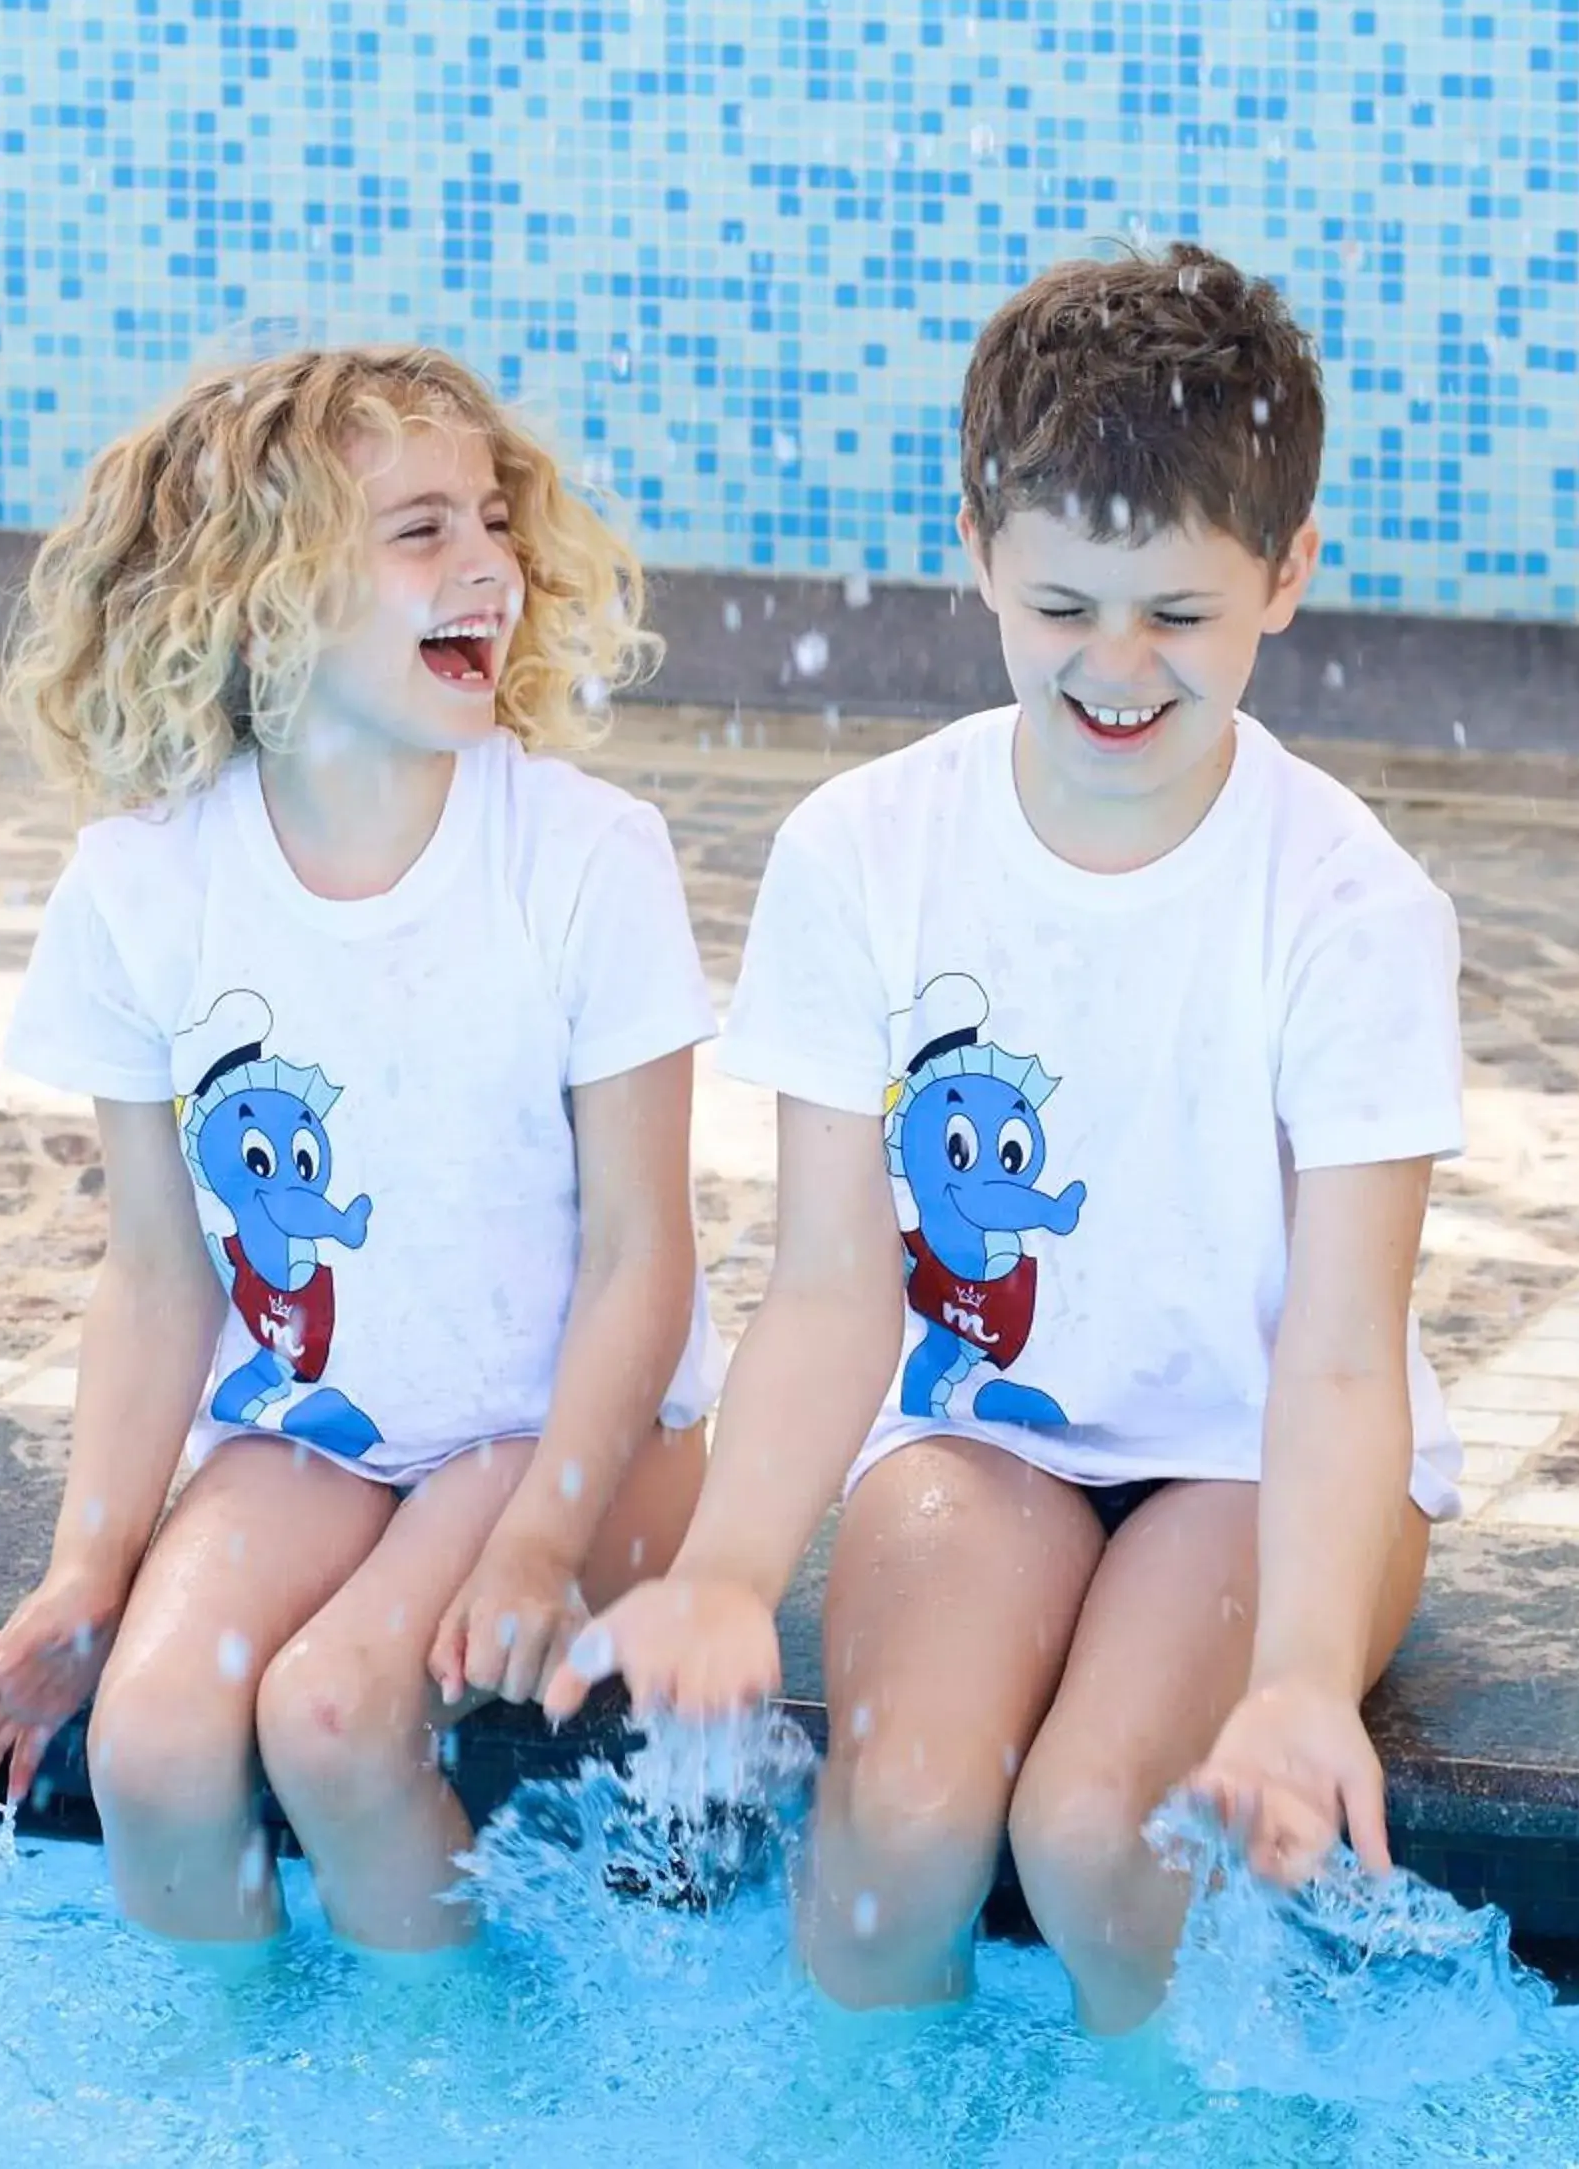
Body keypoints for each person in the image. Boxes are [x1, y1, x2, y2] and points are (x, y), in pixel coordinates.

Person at [554, 246, 1467, 2035]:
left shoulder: (1348, 904)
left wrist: (1300, 1678)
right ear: (976, 552)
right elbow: (829, 1288)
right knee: (892, 1840)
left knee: (1098, 1835)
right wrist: (733, 1569)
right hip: (982, 1443)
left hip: (1259, 1466)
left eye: (1178, 616)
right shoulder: (866, 851)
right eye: (1062, 606)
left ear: (1286, 575)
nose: (1115, 667)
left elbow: (1347, 1350)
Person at [0, 345, 721, 1955]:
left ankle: (458, 2095)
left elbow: (648, 1256)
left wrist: (539, 1536)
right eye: (419, 531)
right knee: (153, 1741)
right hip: (314, 1435)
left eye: (493, 524)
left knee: (334, 1718)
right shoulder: (143, 889)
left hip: (573, 1429)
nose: (489, 568)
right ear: (254, 595)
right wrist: (88, 1571)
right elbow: (159, 1275)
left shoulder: (580, 859)